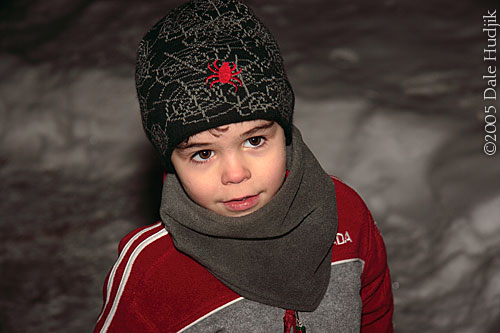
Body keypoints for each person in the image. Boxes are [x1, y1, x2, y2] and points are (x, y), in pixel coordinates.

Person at [94, 0, 394, 331]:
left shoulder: (345, 213)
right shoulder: (152, 272)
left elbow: (375, 318)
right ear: (171, 162)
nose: (236, 174)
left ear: (285, 133)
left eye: (254, 141)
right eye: (203, 154)